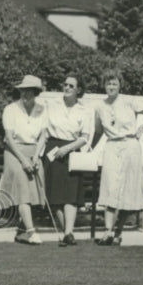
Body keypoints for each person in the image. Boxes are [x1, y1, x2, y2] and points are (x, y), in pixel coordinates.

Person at [94, 71, 143, 245]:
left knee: (127, 191)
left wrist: (142, 128)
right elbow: (98, 131)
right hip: (112, 146)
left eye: (114, 83)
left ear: (119, 85)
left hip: (130, 146)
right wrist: (89, 149)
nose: (111, 87)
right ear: (104, 86)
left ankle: (118, 232)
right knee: (110, 188)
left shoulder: (129, 101)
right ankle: (107, 232)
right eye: (108, 84)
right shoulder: (100, 107)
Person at [0, 75, 49, 245]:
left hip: (33, 151)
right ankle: (32, 232)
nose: (26, 94)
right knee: (22, 188)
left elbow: (43, 136)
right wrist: (23, 160)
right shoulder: (10, 109)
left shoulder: (42, 109)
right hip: (14, 152)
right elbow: (9, 139)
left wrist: (36, 156)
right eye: (23, 91)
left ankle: (20, 230)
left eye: (30, 91)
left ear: (36, 92)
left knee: (34, 192)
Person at [42, 74, 92, 246]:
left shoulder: (84, 110)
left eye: (71, 86)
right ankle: (67, 233)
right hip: (53, 150)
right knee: (55, 194)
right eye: (65, 85)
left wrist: (67, 148)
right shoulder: (52, 105)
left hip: (72, 150)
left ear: (79, 90)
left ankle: (69, 232)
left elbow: (85, 137)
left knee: (71, 194)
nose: (67, 88)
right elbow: (44, 131)